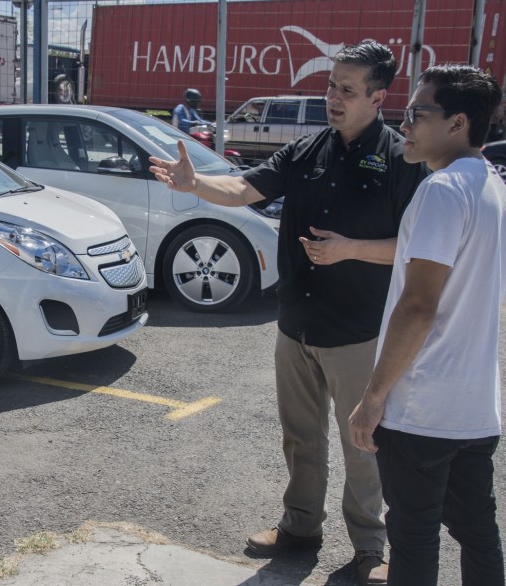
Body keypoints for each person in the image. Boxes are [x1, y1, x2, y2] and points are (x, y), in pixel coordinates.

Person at [149, 42, 428, 586]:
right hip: (297, 323)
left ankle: (371, 549)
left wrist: (351, 248)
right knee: (300, 435)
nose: (333, 98)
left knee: (363, 443)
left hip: (358, 331)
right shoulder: (308, 149)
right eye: (330, 86)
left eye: (347, 90)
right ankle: (300, 528)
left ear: (378, 95)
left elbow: (414, 245)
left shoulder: (401, 158)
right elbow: (245, 187)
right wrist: (196, 184)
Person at [349, 65, 506, 585]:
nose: (406, 125)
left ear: (458, 122)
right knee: (477, 530)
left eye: (418, 113)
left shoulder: (442, 190)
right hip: (474, 407)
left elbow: (419, 306)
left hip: (423, 409)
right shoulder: (493, 186)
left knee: (414, 537)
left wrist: (373, 398)